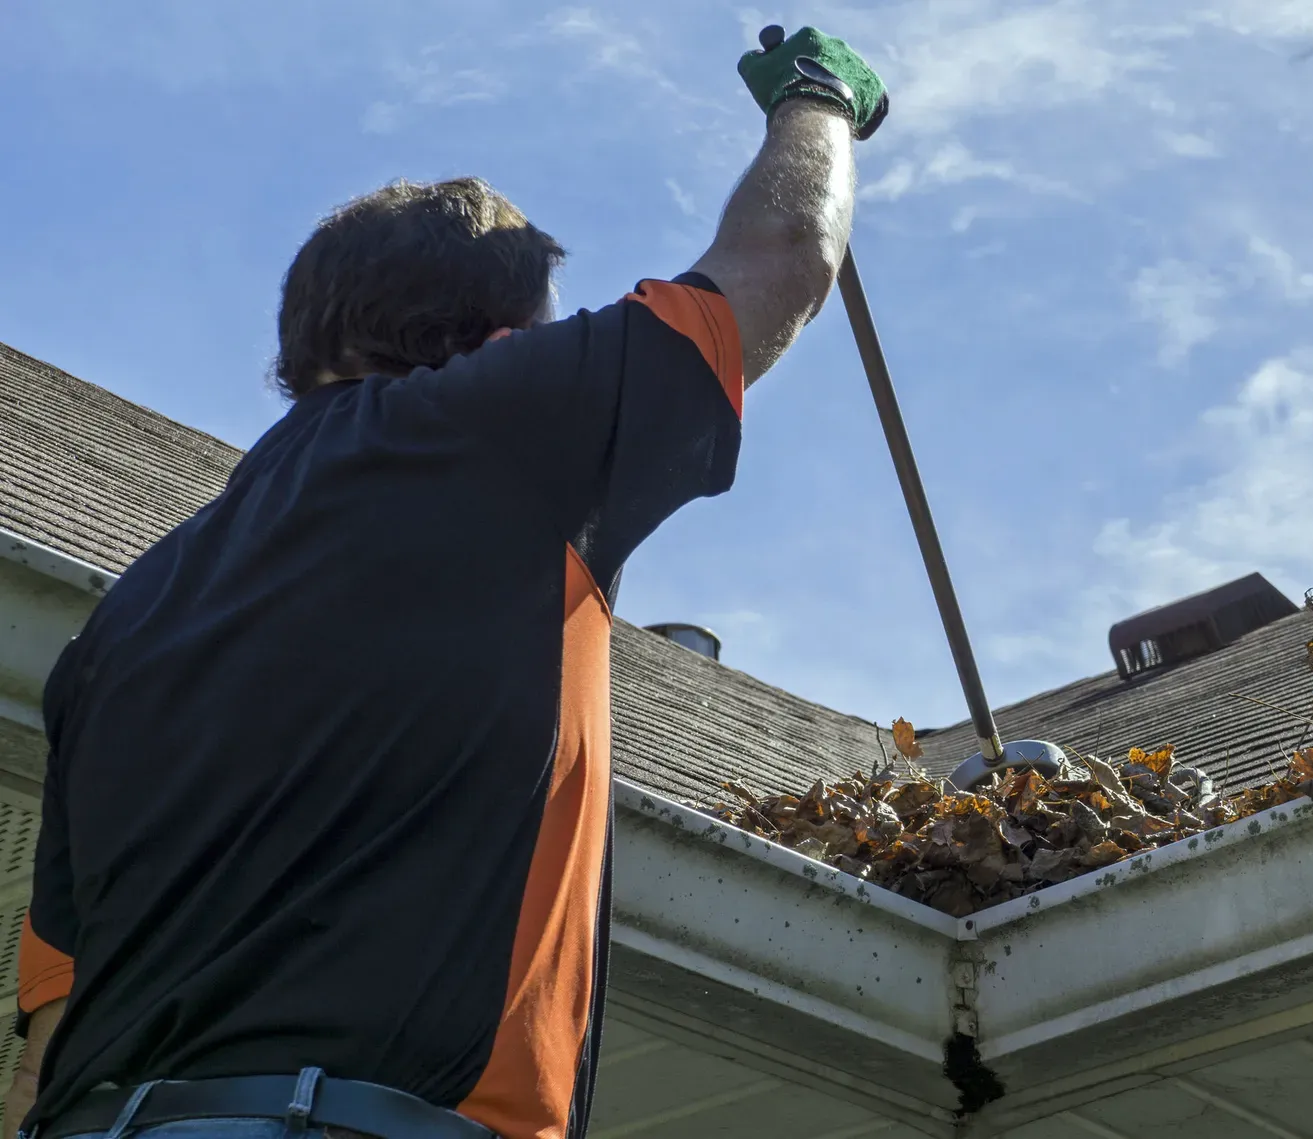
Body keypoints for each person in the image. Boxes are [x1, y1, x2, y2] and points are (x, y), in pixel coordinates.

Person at [4, 26, 886, 1139]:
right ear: (507, 341)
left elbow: (45, 1044)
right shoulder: (495, 425)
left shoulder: (124, 622)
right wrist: (819, 101)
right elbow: (786, 254)